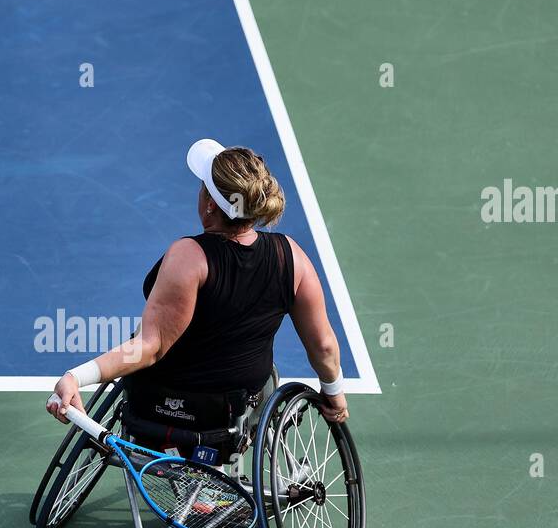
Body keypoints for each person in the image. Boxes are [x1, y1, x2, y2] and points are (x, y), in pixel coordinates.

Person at [47, 139, 348, 456]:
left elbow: (149, 347)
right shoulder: (292, 258)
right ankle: (219, 468)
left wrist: (75, 377)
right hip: (234, 413)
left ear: (210, 205)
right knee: (267, 376)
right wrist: (334, 392)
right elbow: (324, 346)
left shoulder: (188, 257)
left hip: (162, 408)